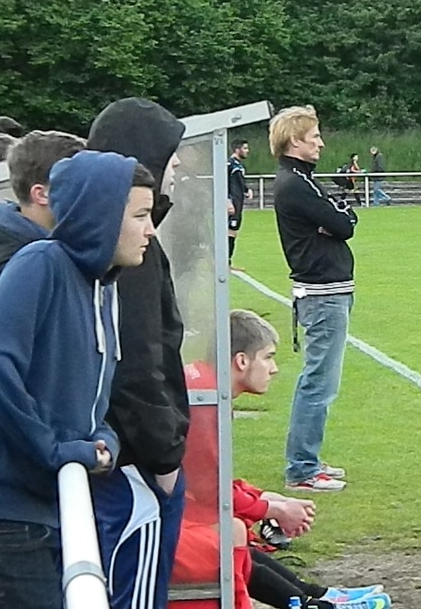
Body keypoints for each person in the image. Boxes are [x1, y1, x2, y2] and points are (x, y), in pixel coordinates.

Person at [0, 150, 157, 609]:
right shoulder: (41, 262)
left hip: (43, 506)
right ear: (100, 216)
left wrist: (102, 437)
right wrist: (49, 448)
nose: (150, 230)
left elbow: (90, 392)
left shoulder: (103, 285)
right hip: (0, 511)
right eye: (140, 215)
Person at [173, 309, 390, 609]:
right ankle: (313, 602)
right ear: (241, 361)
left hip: (169, 510)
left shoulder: (205, 386)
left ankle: (317, 597)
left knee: (234, 530)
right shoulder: (204, 400)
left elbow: (209, 479)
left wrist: (267, 499)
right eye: (268, 357)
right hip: (164, 524)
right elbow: (209, 491)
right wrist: (271, 508)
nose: (274, 369)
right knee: (232, 531)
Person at [86, 97, 191, 609]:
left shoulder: (120, 241)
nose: (179, 165)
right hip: (132, 465)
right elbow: (135, 364)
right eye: (172, 154)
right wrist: (164, 459)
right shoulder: (130, 253)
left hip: (121, 457)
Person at [0, 130, 87, 446]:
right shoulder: (24, 261)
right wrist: (47, 444)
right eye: (78, 184)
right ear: (42, 194)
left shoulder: (21, 249)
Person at [270, 105, 356, 492]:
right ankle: (302, 468)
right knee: (319, 382)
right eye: (314, 137)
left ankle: (309, 460)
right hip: (322, 293)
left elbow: (341, 219)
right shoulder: (295, 183)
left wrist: (336, 220)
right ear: (294, 141)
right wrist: (335, 222)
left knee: (322, 380)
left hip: (330, 290)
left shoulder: (303, 180)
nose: (321, 143)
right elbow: (343, 223)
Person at [227, 139, 253, 270]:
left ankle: (226, 262)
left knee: (233, 232)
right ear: (237, 150)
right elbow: (224, 182)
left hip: (238, 203)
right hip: (232, 203)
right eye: (245, 148)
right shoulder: (230, 164)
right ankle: (225, 263)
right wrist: (227, 200)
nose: (247, 151)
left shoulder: (238, 165)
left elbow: (239, 182)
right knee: (229, 231)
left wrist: (246, 189)